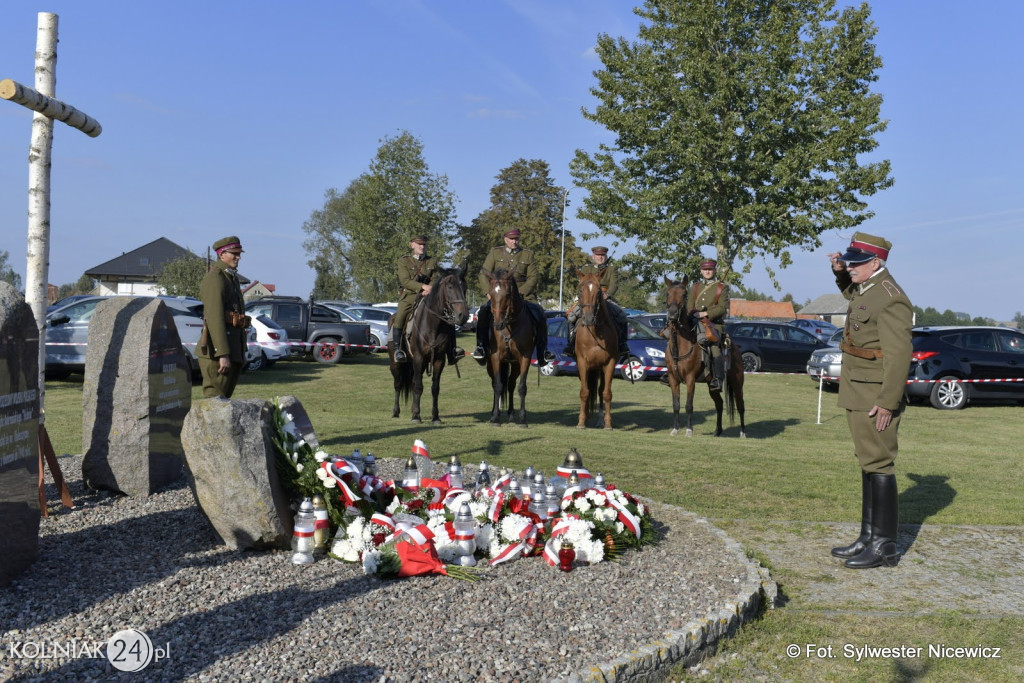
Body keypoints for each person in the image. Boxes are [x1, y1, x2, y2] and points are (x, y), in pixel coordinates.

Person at [828, 231, 913, 570]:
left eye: (856, 263)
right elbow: (855, 296)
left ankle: (884, 546)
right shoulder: (869, 287)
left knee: (879, 463)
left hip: (875, 395)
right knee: (867, 462)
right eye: (849, 262)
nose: (850, 267)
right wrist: (839, 273)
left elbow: (899, 354)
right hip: (858, 388)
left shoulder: (892, 298)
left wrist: (888, 401)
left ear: (875, 263)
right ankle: (868, 536)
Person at [472, 229, 555, 367]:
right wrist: (488, 291)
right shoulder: (495, 253)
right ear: (505, 239)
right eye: (511, 239)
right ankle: (481, 347)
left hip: (524, 296)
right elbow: (483, 274)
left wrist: (521, 292)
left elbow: (534, 276)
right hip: (499, 297)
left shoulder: (527, 254)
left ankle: (543, 352)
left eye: (516, 239)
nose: (514, 241)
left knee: (539, 314)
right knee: (483, 312)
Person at [391, 235, 465, 364]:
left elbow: (435, 278)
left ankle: (452, 351)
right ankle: (398, 350)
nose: (422, 246)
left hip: (429, 295)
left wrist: (429, 288)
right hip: (410, 296)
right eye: (419, 244)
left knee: (448, 319)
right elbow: (405, 281)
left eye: (424, 244)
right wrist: (422, 287)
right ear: (412, 245)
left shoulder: (432, 261)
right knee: (400, 316)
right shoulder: (404, 261)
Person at [198, 235, 248, 398]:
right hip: (217, 353)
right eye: (234, 253)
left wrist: (240, 351)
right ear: (222, 254)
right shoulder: (216, 278)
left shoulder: (230, 278)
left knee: (224, 403)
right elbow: (215, 318)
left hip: (232, 350)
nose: (238, 257)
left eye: (239, 253)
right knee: (214, 404)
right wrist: (223, 354)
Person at [564, 246, 631, 363]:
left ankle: (622, 344)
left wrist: (607, 294)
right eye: (598, 256)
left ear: (605, 256)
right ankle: (570, 345)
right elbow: (582, 284)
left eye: (602, 255)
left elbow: (614, 285)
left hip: (605, 297)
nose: (600, 258)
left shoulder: (611, 269)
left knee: (622, 316)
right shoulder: (586, 268)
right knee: (571, 316)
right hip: (588, 299)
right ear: (593, 257)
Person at [689, 259, 730, 391]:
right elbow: (689, 305)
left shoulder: (722, 287)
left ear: (714, 271)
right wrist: (693, 313)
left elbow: (722, 308)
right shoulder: (695, 287)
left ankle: (718, 379)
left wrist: (704, 314)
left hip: (713, 325)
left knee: (714, 347)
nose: (707, 271)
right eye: (705, 269)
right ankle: (672, 372)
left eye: (710, 269)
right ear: (701, 271)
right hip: (694, 323)